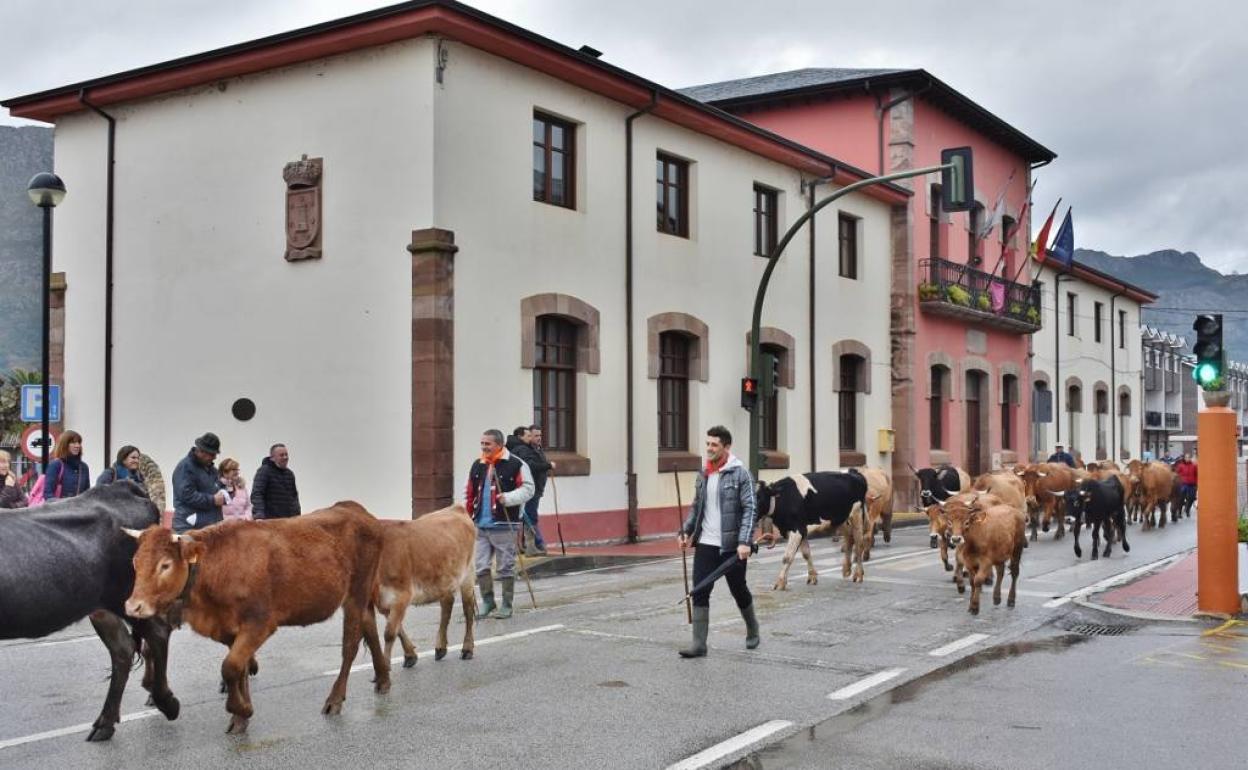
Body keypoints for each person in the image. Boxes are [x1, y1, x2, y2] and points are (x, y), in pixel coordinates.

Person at [677, 425, 759, 658]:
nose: (709, 448)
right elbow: (696, 508)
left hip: (731, 546)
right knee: (700, 591)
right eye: (708, 444)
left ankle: (753, 628)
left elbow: (750, 509)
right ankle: (699, 644)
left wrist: (744, 541)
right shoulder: (704, 474)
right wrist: (685, 532)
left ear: (726, 447)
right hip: (706, 543)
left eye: (714, 444)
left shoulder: (740, 473)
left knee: (738, 589)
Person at [467, 428, 534, 620]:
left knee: (505, 566)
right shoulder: (478, 464)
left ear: (499, 444)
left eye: (487, 444)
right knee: (480, 566)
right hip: (481, 524)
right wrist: (468, 516)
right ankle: (488, 602)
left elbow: (529, 489)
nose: (483, 447)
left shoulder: (515, 464)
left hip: (505, 523)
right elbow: (470, 492)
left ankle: (506, 604)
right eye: (482, 443)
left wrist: (509, 498)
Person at [506, 425, 554, 555]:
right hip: (528, 489)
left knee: (524, 516)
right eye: (531, 435)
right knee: (529, 516)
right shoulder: (522, 449)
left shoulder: (528, 448)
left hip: (532, 488)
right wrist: (548, 466)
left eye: (539, 435)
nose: (537, 438)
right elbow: (530, 466)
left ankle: (524, 546)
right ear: (520, 437)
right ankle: (533, 545)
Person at [172, 432, 227, 533]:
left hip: (210, 528)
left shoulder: (212, 470)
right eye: (213, 454)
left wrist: (227, 489)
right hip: (189, 528)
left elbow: (218, 490)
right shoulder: (185, 467)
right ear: (201, 451)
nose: (215, 457)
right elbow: (187, 495)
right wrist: (213, 500)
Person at [251, 443, 300, 519]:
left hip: (289, 520)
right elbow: (257, 494)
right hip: (271, 520)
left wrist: (297, 514)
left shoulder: (289, 474)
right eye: (281, 455)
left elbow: (294, 497)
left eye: (286, 454)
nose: (285, 457)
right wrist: (259, 515)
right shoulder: (264, 471)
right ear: (272, 458)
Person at [43, 430, 91, 500]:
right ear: (64, 445)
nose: (77, 445)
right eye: (73, 442)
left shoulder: (83, 467)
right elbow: (48, 494)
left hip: (79, 509)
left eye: (79, 442)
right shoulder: (56, 465)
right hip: (59, 509)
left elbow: (87, 494)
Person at [219, 457, 253, 521]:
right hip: (225, 526)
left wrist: (246, 517)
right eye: (234, 470)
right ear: (225, 472)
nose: (237, 472)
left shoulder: (241, 487)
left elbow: (248, 506)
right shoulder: (218, 487)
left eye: (237, 469)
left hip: (243, 525)